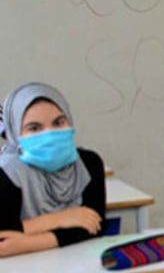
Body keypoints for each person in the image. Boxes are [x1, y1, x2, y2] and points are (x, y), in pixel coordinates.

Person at [0, 82, 106, 258]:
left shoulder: (88, 163)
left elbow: (95, 226)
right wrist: (62, 218)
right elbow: (3, 239)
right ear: (15, 135)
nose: (49, 134)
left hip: (76, 265)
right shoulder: (8, 173)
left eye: (58, 123)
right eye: (34, 128)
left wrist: (27, 241)